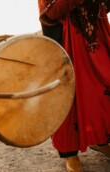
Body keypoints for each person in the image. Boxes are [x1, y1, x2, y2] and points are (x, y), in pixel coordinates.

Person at [38, 0, 110, 171]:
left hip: (97, 36)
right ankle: (69, 153)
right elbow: (50, 12)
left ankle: (99, 139)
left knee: (102, 89)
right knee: (70, 97)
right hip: (67, 42)